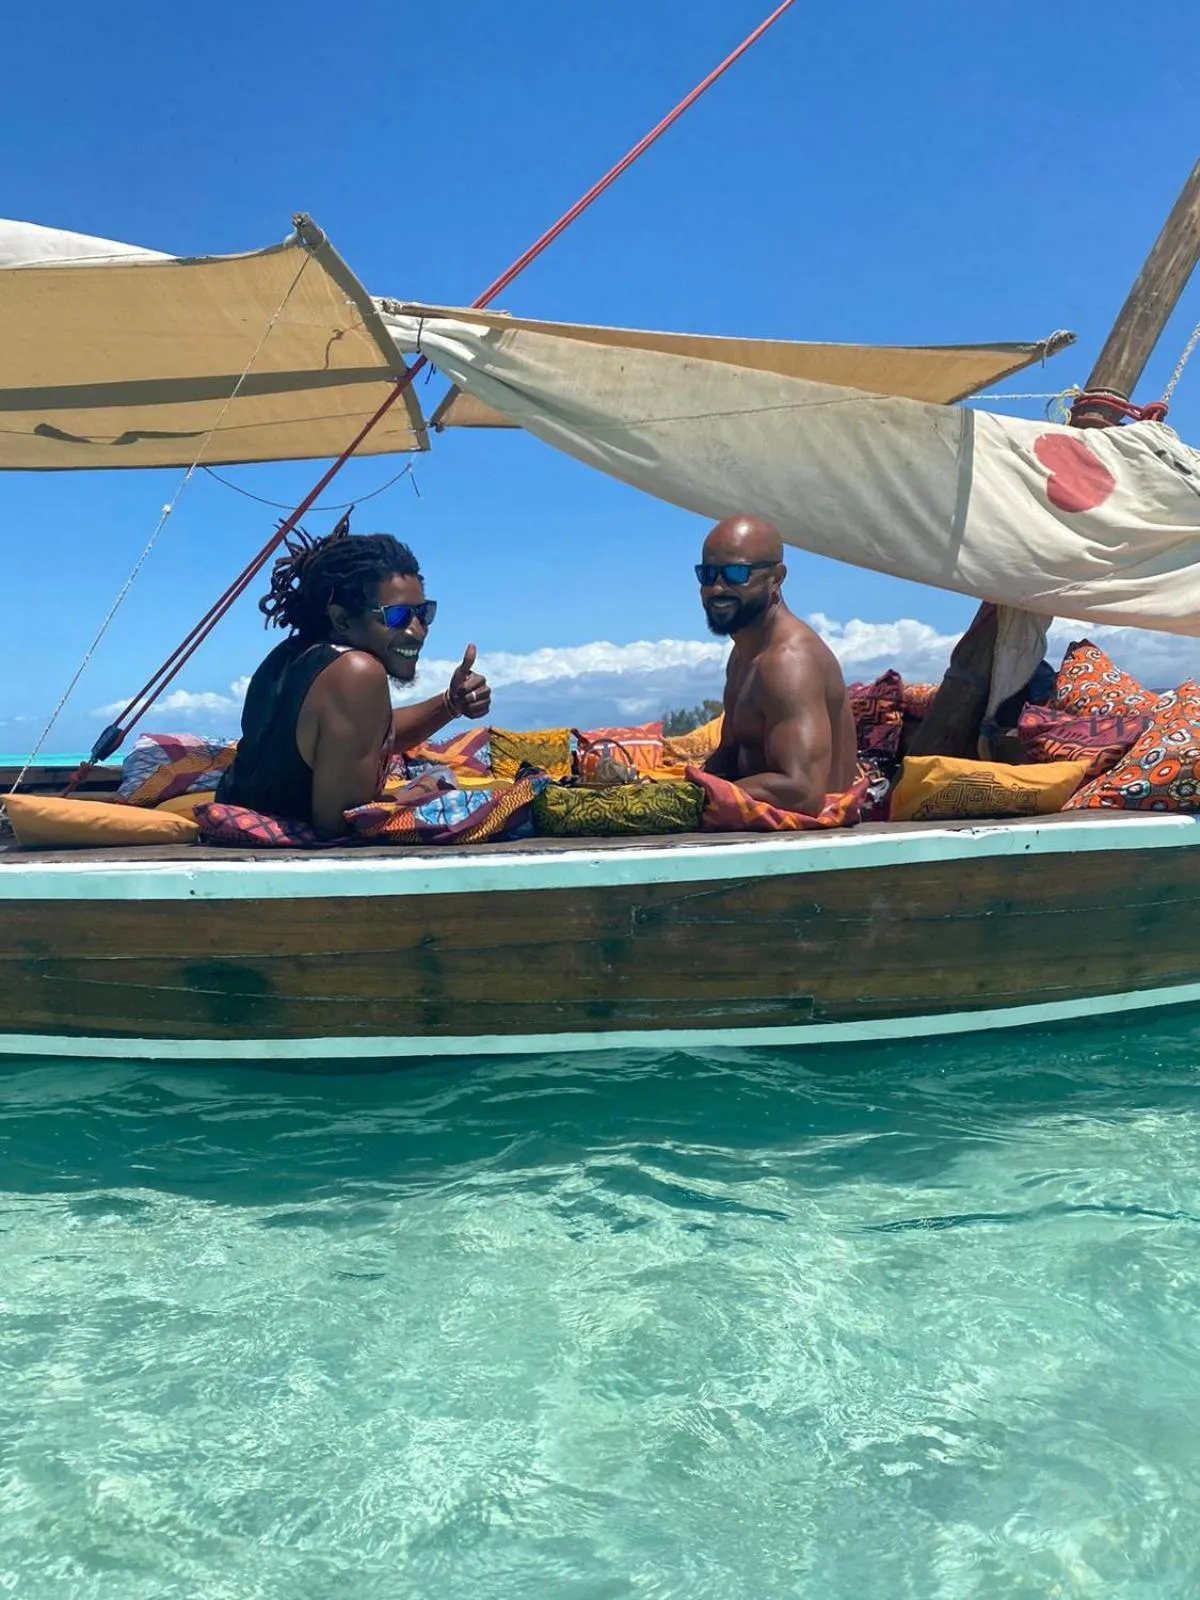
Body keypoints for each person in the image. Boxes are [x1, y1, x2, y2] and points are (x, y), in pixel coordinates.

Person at [217, 522, 490, 837]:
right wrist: (426, 791)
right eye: (397, 616)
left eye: (422, 612)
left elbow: (360, 735)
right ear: (342, 619)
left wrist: (450, 704)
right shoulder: (357, 672)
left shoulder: (292, 656)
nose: (417, 630)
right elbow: (344, 825)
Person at [697, 514, 856, 814]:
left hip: (811, 847)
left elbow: (803, 791)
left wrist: (698, 796)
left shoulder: (788, 662)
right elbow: (730, 754)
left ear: (777, 577)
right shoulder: (743, 654)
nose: (717, 588)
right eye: (708, 575)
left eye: (735, 573)